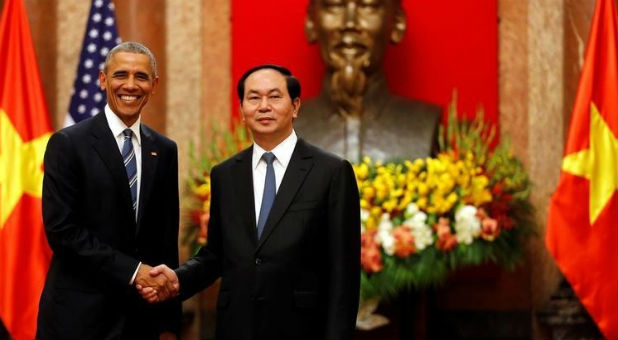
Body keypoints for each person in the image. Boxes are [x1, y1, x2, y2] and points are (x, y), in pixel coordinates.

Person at [139, 64, 361, 339]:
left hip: (302, 328)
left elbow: (344, 274)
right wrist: (178, 278)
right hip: (237, 326)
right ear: (242, 110)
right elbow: (216, 256)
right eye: (254, 98)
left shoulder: (331, 172)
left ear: (295, 106)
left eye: (274, 96)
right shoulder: (225, 174)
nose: (264, 106)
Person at [37, 42, 181, 340]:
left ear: (154, 85)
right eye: (121, 75)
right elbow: (62, 231)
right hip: (78, 319)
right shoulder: (68, 144)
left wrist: (169, 324)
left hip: (141, 322)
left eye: (141, 77)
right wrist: (134, 271)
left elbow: (165, 241)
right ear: (103, 80)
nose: (130, 85)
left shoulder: (164, 150)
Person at [294, 0, 441, 162]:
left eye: (368, 5)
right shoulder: (282, 129)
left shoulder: (425, 125)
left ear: (398, 22)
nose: (349, 23)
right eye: (334, 4)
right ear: (310, 22)